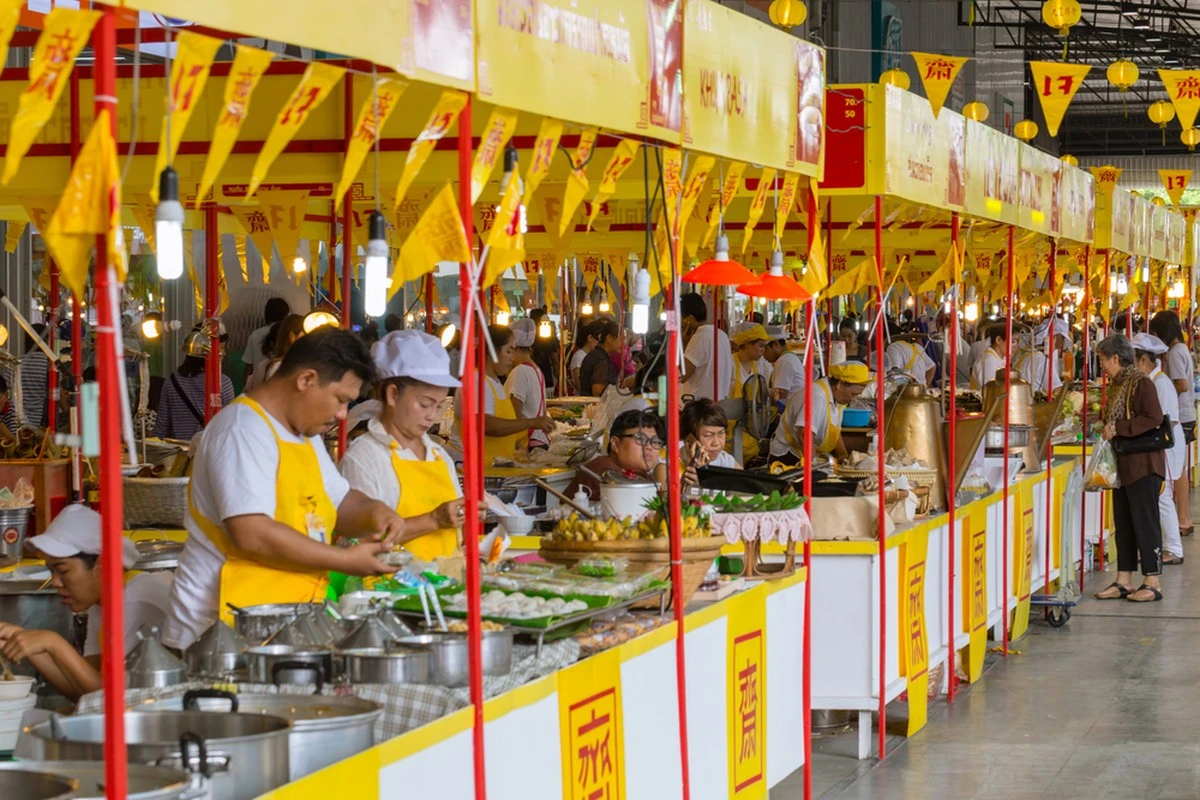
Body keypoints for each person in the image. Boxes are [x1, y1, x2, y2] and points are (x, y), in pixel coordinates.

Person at [163, 328, 409, 650]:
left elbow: (341, 501)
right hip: (217, 634)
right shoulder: (243, 429)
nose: (341, 414)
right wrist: (344, 559)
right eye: (340, 399)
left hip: (282, 622)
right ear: (306, 380)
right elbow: (252, 532)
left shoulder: (303, 434)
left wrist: (377, 512)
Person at [0, 505, 172, 701]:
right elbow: (83, 690)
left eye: (63, 571)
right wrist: (25, 642)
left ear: (101, 564)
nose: (55, 582)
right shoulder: (100, 604)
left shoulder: (132, 598)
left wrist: (52, 643)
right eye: (52, 572)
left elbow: (108, 699)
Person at [341, 331, 467, 562]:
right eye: (425, 404)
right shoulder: (364, 457)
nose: (432, 417)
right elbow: (356, 543)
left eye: (439, 407)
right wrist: (433, 520)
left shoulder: (438, 454)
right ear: (392, 394)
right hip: (391, 590)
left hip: (447, 587)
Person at [1093, 334, 1166, 603]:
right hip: (1123, 465)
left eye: (1103, 360)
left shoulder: (1141, 383)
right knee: (1123, 522)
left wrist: (1118, 428)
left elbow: (1153, 417)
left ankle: (1152, 580)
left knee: (1145, 522)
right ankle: (1124, 578)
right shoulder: (1118, 384)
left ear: (1115, 358)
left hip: (1143, 464)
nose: (1102, 366)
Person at [455, 324, 553, 466]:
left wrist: (520, 449)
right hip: (478, 469)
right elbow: (487, 425)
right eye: (508, 351)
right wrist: (533, 422)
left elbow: (506, 423)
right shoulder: (476, 381)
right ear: (492, 352)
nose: (513, 358)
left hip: (496, 469)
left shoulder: (495, 382)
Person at [1133, 333, 1185, 565]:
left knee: (1163, 496)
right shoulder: (1151, 381)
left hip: (1164, 445)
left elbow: (1166, 420)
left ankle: (1173, 549)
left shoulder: (1161, 383)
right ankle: (1166, 546)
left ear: (1143, 361)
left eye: (1133, 362)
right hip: (1158, 444)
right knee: (1161, 496)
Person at [564, 409, 695, 498]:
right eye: (641, 439)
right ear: (615, 443)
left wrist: (683, 487)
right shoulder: (604, 472)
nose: (649, 447)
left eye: (655, 442)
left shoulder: (639, 474)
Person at [768, 361, 872, 467]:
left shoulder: (838, 397)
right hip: (788, 456)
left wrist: (843, 455)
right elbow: (804, 434)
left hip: (808, 454)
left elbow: (833, 430)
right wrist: (813, 466)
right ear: (840, 384)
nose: (854, 399)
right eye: (853, 394)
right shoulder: (818, 396)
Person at [1150, 310, 1194, 536]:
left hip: (1180, 414)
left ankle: (1183, 518)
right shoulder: (1182, 348)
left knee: (1177, 470)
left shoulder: (1176, 352)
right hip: (1187, 413)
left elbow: (1182, 384)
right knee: (1181, 468)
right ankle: (1184, 517)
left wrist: (1163, 391)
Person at [153, 331, 235, 441]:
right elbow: (230, 424)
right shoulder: (222, 383)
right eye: (220, 348)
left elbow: (161, 427)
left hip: (180, 454)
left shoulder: (171, 382)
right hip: (209, 452)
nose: (223, 353)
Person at [506, 319, 551, 450]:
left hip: (527, 442)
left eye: (508, 351)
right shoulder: (535, 369)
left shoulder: (520, 371)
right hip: (540, 439)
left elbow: (514, 413)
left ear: (515, 347)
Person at [680, 292, 733, 401]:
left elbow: (681, 375)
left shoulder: (700, 337)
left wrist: (683, 339)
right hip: (717, 404)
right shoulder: (721, 334)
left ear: (689, 319)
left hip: (698, 409)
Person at [247, 313, 306, 392]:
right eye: (305, 335)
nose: (308, 339)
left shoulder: (299, 364)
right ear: (292, 336)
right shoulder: (278, 366)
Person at [681, 398, 740, 469]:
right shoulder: (669, 461)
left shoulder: (725, 460)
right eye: (708, 435)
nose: (716, 443)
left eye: (721, 433)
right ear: (689, 440)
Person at [242, 297, 290, 385]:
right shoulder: (289, 333)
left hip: (258, 388)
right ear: (286, 314)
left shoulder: (255, 335)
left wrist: (246, 390)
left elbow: (248, 368)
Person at [579, 318, 621, 397]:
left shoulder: (596, 354)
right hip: (594, 407)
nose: (623, 343)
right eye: (620, 339)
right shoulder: (601, 359)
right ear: (609, 338)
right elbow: (598, 392)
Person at [765, 325, 805, 403]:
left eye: (765, 349)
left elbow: (779, 396)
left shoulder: (784, 361)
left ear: (776, 344)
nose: (763, 353)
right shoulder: (789, 357)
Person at [530, 308, 560, 394]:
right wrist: (560, 380)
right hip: (546, 378)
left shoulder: (527, 338)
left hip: (531, 377)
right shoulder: (550, 338)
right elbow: (555, 362)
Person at [970, 322, 1008, 390]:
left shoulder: (1000, 357)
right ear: (998, 340)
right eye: (1013, 341)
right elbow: (991, 392)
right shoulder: (989, 362)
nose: (1015, 346)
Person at [569, 322, 600, 394]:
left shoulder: (595, 356)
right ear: (590, 338)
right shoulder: (579, 356)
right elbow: (580, 385)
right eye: (598, 340)